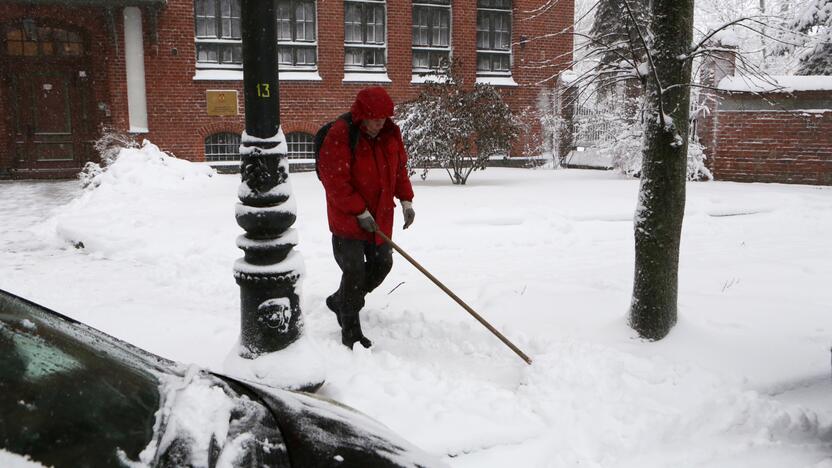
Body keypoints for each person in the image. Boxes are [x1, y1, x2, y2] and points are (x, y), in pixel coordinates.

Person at [318, 87, 415, 349]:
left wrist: (406, 200)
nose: (378, 124)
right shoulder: (342, 133)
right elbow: (335, 180)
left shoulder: (390, 135)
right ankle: (351, 331)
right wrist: (359, 211)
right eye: (373, 119)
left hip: (380, 218)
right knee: (354, 272)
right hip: (347, 220)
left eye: (383, 119)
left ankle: (341, 301)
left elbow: (399, 170)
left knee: (382, 264)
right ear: (361, 115)